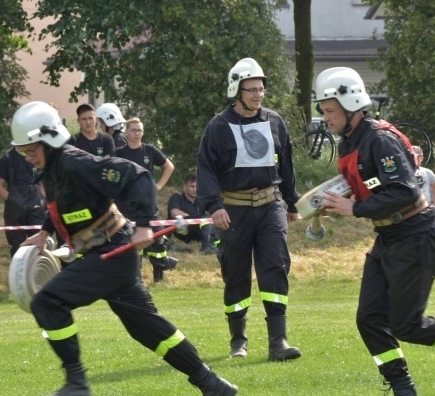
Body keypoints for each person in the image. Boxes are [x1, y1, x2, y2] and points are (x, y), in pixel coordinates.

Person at [9, 100, 237, 396]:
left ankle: (76, 384)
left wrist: (144, 224)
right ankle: (212, 384)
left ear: (48, 141)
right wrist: (45, 231)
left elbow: (137, 175)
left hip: (112, 254)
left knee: (47, 302)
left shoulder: (77, 163)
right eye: (23, 152)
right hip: (109, 255)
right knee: (147, 329)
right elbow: (67, 206)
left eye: (30, 150)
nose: (28, 157)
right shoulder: (53, 171)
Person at [314, 67, 435, 396]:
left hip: (414, 236)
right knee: (369, 318)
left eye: (329, 110)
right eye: (323, 111)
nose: (325, 118)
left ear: (351, 104)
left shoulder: (379, 140)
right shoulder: (352, 140)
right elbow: (372, 188)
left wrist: (353, 208)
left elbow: (402, 192)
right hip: (389, 237)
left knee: (407, 325)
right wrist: (333, 203)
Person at [197, 57, 302, 361]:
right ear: (237, 90)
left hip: (271, 207)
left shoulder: (275, 122)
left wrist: (292, 201)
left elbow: (287, 164)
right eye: (251, 89)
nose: (258, 94)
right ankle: (238, 342)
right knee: (236, 273)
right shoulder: (217, 127)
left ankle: (278, 342)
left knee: (275, 267)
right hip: (234, 210)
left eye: (261, 89)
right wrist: (214, 206)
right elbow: (205, 169)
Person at [115, 117, 177, 282]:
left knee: (156, 240)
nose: (137, 133)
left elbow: (169, 166)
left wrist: (159, 185)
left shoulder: (149, 150)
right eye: (133, 130)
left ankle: (160, 274)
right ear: (126, 132)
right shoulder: (118, 153)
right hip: (126, 206)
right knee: (133, 243)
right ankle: (137, 278)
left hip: (147, 205)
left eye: (139, 130)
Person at [0, 147, 46, 257]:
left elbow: (42, 179)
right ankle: (19, 271)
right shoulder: (7, 158)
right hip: (15, 206)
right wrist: (13, 200)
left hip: (36, 202)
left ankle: (39, 271)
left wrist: (42, 198)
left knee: (40, 241)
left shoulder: (37, 154)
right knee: (17, 244)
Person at [167, 173, 218, 253]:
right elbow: (174, 212)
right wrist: (193, 219)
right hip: (182, 231)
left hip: (198, 232)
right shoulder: (176, 197)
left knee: (216, 220)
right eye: (192, 186)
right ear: (185, 187)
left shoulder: (202, 200)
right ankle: (206, 247)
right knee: (205, 218)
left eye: (197, 186)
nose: (195, 189)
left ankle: (212, 245)